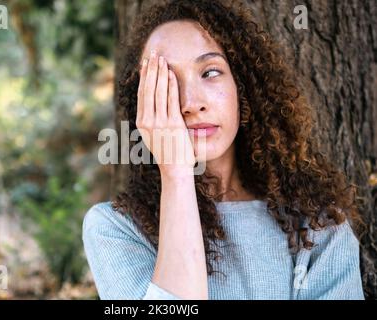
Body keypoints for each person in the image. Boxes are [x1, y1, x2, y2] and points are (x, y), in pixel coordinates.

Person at [82, 0, 365, 300]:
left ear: (241, 85)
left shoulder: (317, 225)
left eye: (210, 72)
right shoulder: (115, 229)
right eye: (168, 82)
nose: (192, 103)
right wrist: (176, 172)